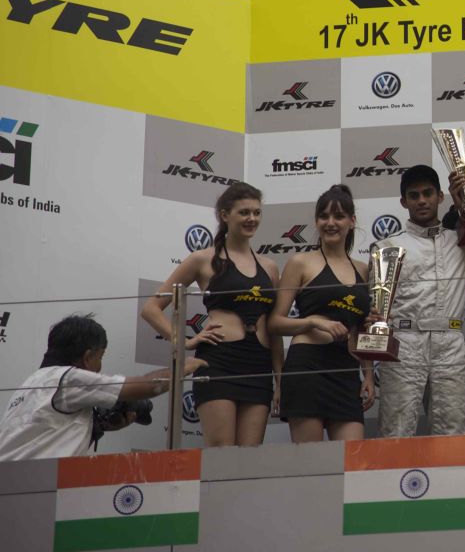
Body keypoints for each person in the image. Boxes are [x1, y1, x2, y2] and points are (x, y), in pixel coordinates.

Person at [142, 182, 281, 447]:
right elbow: (151, 309)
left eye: (256, 212)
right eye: (244, 212)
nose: (252, 219)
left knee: (249, 458)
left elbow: (273, 329)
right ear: (224, 215)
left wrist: (280, 380)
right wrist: (184, 341)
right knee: (220, 456)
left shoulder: (270, 267)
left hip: (258, 366)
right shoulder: (202, 259)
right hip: (219, 363)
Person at [373, 164, 465, 437]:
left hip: (450, 341)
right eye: (414, 195)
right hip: (404, 342)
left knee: (453, 432)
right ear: (403, 202)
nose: (422, 200)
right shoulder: (387, 247)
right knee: (396, 431)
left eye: (427, 193)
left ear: (440, 196)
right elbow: (376, 309)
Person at [0, 315, 205, 461]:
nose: (99, 367)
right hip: (33, 488)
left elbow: (49, 434)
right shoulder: (69, 379)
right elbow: (147, 386)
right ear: (88, 356)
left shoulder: (32, 383)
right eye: (100, 357)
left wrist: (100, 427)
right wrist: (183, 368)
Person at [269, 185, 374, 442]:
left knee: (352, 459)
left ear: (352, 221)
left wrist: (369, 374)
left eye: (338, 216)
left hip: (346, 370)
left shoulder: (363, 270)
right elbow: (274, 323)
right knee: (311, 461)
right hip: (307, 368)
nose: (330, 223)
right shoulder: (300, 263)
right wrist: (313, 322)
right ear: (316, 221)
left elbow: (360, 329)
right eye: (324, 216)